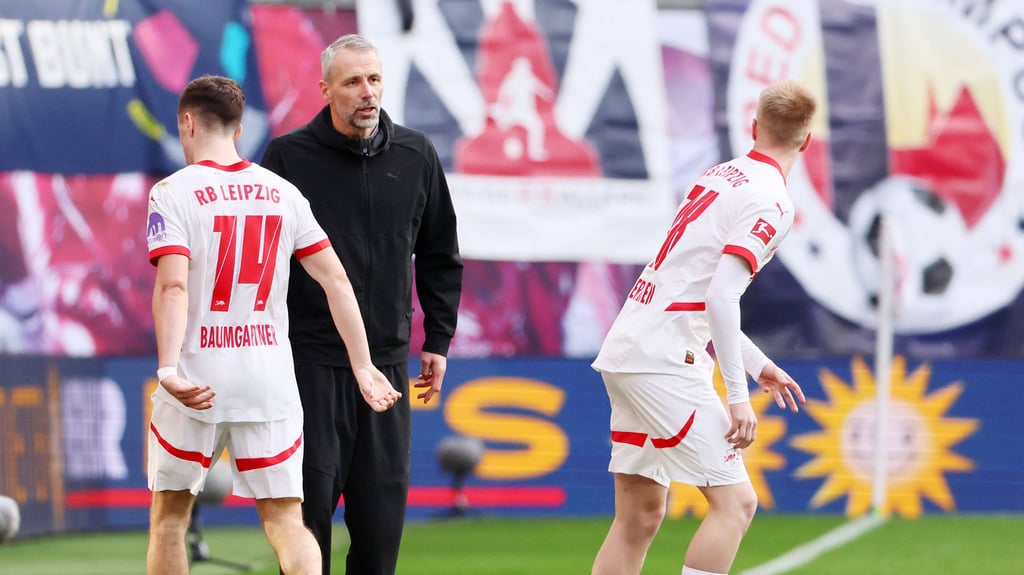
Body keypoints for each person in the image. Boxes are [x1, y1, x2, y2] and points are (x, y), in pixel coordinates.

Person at [145, 74, 402, 575]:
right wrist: (365, 365)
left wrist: (168, 366)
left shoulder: (172, 192)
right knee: (287, 521)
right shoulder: (282, 192)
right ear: (239, 129)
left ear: (187, 123)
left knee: (170, 520)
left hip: (196, 376)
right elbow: (337, 282)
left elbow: (173, 286)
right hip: (268, 379)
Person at [589, 79, 814, 575]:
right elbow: (719, 296)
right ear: (807, 141)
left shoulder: (720, 176)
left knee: (639, 514)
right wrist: (737, 394)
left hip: (631, 346)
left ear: (753, 127)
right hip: (664, 360)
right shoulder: (772, 202)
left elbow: (692, 289)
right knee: (736, 504)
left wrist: (758, 365)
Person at [260, 34, 463, 575]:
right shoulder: (286, 157)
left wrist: (438, 340)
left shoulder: (417, 154)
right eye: (352, 82)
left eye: (373, 79)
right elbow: (265, 262)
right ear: (325, 90)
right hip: (310, 366)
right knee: (308, 530)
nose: (366, 92)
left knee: (379, 538)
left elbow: (441, 254)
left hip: (389, 371)